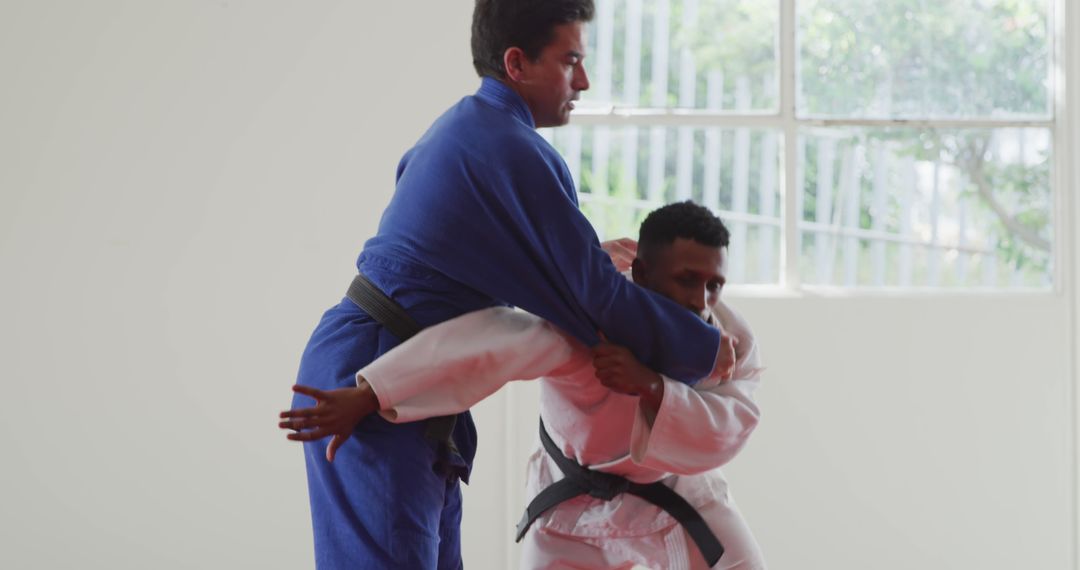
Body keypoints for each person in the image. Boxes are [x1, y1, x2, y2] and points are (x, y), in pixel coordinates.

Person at [284, 1, 736, 567]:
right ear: (517, 63)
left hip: (389, 364)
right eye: (571, 61)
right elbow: (594, 299)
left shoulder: (462, 128)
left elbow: (526, 275)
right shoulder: (513, 151)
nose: (585, 81)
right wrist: (706, 348)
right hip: (374, 367)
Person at [283, 202, 766, 569]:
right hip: (570, 511)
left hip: (680, 500)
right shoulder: (584, 319)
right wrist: (371, 393)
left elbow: (733, 425)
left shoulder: (729, 340)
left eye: (714, 285)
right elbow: (486, 345)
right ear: (640, 271)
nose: (701, 301)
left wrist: (652, 387)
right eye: (686, 280)